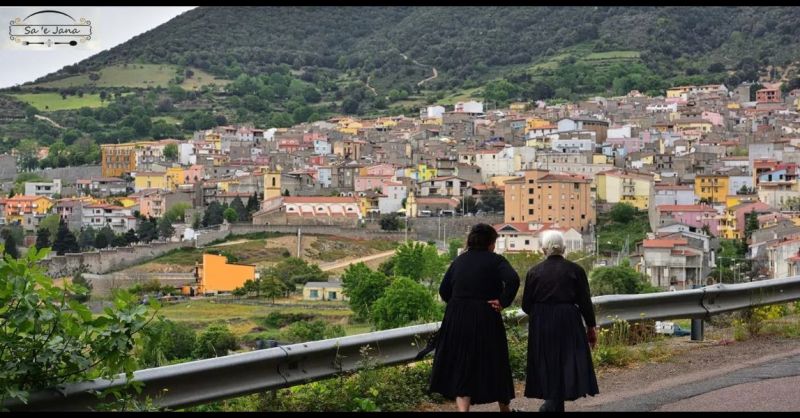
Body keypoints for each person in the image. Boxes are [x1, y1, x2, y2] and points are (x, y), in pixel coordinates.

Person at [429, 223, 520, 412]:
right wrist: (502, 301)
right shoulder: (496, 260)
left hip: (458, 317)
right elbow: (513, 280)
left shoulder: (459, 261)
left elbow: (444, 290)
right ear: (490, 243)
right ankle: (505, 409)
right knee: (496, 361)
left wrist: (459, 304)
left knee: (462, 363)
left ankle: (463, 410)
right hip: (486, 315)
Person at [522, 230, 598, 412]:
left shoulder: (534, 272)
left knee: (546, 360)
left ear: (543, 250)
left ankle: (551, 404)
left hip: (542, 320)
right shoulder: (576, 270)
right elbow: (585, 302)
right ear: (564, 249)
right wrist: (591, 327)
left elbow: (526, 305)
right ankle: (553, 405)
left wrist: (541, 312)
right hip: (569, 319)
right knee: (565, 360)